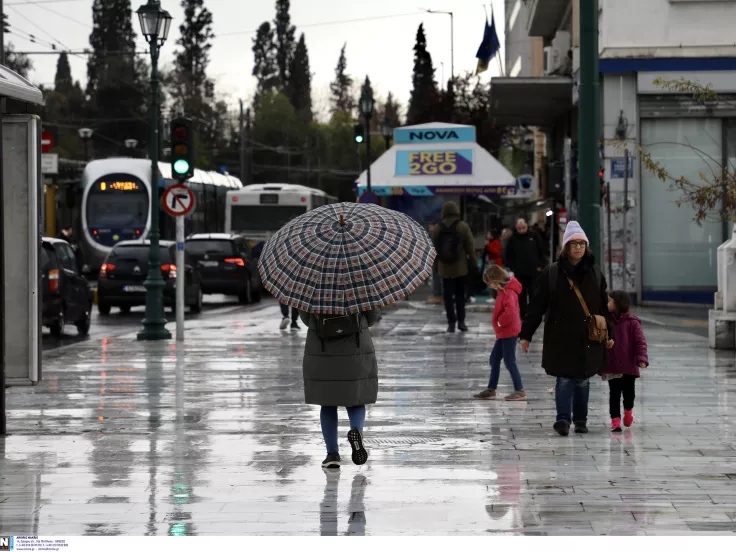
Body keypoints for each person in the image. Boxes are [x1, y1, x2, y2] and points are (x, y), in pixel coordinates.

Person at [519, 221, 611, 436]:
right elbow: (537, 306)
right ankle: (562, 419)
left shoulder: (596, 273)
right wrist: (526, 335)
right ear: (566, 247)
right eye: (573, 243)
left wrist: (610, 334)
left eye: (582, 243)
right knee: (564, 378)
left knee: (582, 379)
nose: (578, 247)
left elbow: (603, 308)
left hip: (586, 336)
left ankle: (580, 420)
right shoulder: (552, 273)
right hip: (560, 335)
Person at [299, 309, 379, 469]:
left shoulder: (314, 287)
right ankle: (356, 431)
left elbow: (306, 318)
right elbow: (371, 318)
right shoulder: (359, 285)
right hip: (354, 347)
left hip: (322, 348)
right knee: (356, 398)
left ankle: (332, 454)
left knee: (327, 402)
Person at [474, 265, 526, 401]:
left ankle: (519, 389)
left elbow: (511, 312)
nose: (490, 286)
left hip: (509, 331)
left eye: (489, 283)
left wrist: (499, 322)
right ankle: (491, 389)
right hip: (504, 332)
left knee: (509, 361)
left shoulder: (509, 293)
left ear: (495, 280)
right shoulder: (503, 291)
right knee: (494, 359)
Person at [601, 290, 648, 432]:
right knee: (614, 394)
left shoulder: (633, 323)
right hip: (613, 364)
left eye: (609, 301)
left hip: (629, 366)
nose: (607, 303)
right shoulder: (605, 321)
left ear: (618, 303)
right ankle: (615, 421)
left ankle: (628, 412)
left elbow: (640, 342)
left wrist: (642, 359)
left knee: (629, 394)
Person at [431, 201, 475, 333]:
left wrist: (436, 266)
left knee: (448, 297)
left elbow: (433, 248)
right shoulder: (462, 226)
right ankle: (461, 322)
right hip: (460, 268)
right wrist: (473, 263)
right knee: (460, 296)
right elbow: (470, 247)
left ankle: (451, 323)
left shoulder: (438, 228)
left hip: (444, 268)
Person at [505, 218, 547, 320]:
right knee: (521, 295)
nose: (522, 230)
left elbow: (542, 250)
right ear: (516, 228)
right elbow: (508, 255)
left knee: (534, 293)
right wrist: (512, 267)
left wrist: (541, 265)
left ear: (527, 226)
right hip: (519, 272)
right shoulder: (513, 239)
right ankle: (523, 315)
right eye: (519, 228)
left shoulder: (534, 236)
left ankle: (533, 314)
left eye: (523, 228)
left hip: (533, 271)